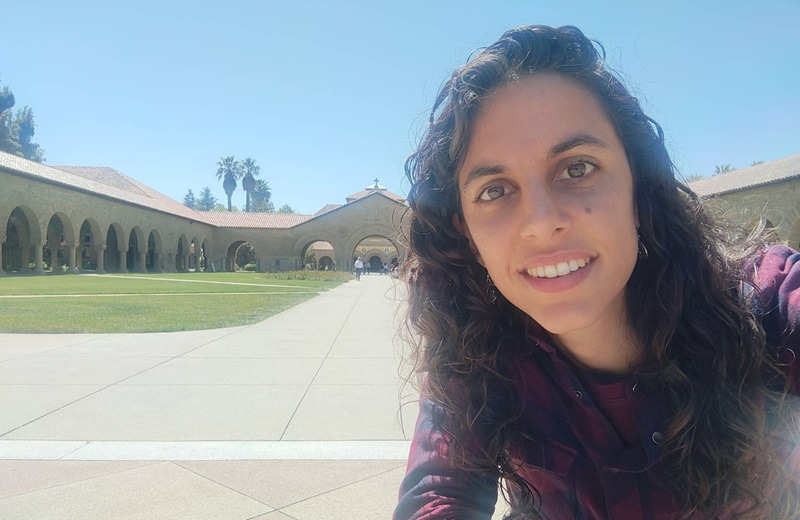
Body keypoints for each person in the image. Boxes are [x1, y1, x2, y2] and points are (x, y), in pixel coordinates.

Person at [395, 25, 800, 520]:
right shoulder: (472, 355)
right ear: (468, 235)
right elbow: (440, 495)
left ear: (638, 187)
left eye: (577, 168)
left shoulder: (769, 309)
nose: (542, 223)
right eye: (495, 190)